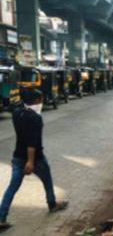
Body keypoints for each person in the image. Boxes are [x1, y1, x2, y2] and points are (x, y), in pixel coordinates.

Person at [0, 89, 68, 232]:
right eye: (41, 99)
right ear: (36, 101)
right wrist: (30, 162)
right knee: (47, 179)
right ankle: (52, 203)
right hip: (35, 158)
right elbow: (32, 143)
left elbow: (18, 105)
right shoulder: (35, 118)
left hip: (17, 156)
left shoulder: (17, 113)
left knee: (12, 187)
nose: (42, 102)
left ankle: (1, 217)